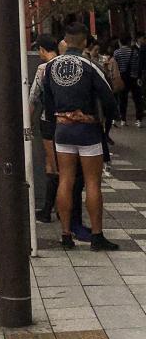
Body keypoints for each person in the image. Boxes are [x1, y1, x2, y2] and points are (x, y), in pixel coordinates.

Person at [43, 20, 119, 251]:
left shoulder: (51, 66)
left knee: (65, 179)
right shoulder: (90, 65)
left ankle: (66, 235)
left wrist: (57, 117)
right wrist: (103, 120)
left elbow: (48, 101)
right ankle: (96, 236)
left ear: (65, 40)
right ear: (85, 41)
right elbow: (108, 98)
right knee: (93, 182)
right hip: (86, 128)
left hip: (62, 128)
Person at [29, 34, 59, 223]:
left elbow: (33, 97)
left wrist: (27, 122)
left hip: (48, 120)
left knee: (52, 164)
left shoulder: (43, 68)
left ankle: (47, 209)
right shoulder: (66, 64)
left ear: (41, 49)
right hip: (68, 120)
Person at [114, 35, 143, 127]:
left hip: (122, 78)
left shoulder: (117, 53)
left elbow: (115, 66)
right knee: (137, 99)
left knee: (122, 99)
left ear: (120, 42)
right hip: (133, 77)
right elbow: (138, 66)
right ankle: (138, 120)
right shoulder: (134, 52)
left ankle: (123, 119)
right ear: (129, 42)